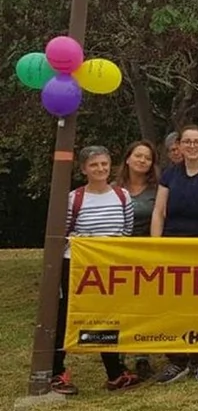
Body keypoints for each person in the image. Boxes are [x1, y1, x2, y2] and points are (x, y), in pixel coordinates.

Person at [50, 146, 141, 395]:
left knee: (108, 316)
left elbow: (126, 231)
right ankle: (56, 372)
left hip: (110, 267)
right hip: (78, 266)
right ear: (83, 169)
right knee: (66, 315)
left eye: (104, 164)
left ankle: (115, 372)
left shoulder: (122, 196)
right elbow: (65, 234)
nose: (100, 169)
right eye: (94, 165)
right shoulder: (74, 198)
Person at [151, 125, 198, 384]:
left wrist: (183, 204)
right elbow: (159, 212)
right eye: (187, 142)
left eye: (197, 141)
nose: (192, 146)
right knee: (175, 305)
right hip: (173, 246)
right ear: (180, 146)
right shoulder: (170, 175)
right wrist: (155, 245)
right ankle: (177, 360)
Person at [114, 139, 161, 380]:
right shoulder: (112, 187)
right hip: (118, 254)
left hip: (146, 252)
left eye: (148, 158)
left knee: (145, 305)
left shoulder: (158, 189)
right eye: (138, 156)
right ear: (128, 158)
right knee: (121, 305)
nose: (142, 161)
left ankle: (143, 355)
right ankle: (119, 355)